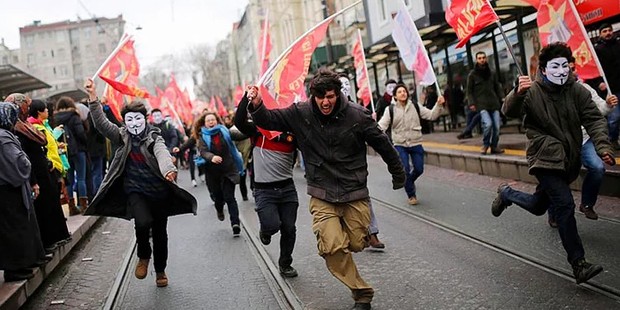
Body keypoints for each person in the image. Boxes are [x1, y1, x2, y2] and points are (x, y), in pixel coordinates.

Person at [247, 69, 406, 310]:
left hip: (354, 191)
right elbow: (268, 119)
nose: (325, 102)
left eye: (330, 96)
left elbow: (383, 144)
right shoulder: (300, 113)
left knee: (356, 243)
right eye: (320, 97)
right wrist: (257, 104)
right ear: (313, 95)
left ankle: (351, 244)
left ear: (337, 94)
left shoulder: (358, 115)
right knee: (331, 247)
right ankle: (361, 292)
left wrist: (398, 173)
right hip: (322, 192)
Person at [492, 42, 615, 284]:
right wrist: (517, 92)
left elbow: (594, 119)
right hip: (544, 157)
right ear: (544, 69)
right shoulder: (532, 90)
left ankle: (507, 194)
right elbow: (509, 111)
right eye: (554, 66)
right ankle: (578, 263)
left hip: (568, 160)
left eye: (565, 66)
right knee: (565, 205)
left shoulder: (577, 91)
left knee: (539, 205)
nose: (560, 71)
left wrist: (603, 147)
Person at [83, 79, 197, 287]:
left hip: (159, 192)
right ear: (125, 121)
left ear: (145, 119)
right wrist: (92, 97)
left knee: (161, 234)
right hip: (136, 191)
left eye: (137, 119)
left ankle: (160, 270)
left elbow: (162, 153)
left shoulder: (155, 136)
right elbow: (101, 123)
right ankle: (143, 255)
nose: (133, 124)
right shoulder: (121, 136)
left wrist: (169, 169)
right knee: (142, 223)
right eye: (129, 120)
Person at [546, 57, 619, 227]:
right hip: (564, 142)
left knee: (598, 168)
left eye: (571, 68)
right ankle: (553, 212)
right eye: (564, 68)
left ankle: (587, 204)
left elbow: (600, 109)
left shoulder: (584, 88)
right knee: (558, 179)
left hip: (586, 139)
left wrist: (608, 104)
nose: (568, 72)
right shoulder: (551, 91)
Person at [235, 93, 300, 277]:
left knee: (289, 228)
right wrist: (247, 98)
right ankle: (266, 229)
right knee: (273, 225)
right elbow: (239, 122)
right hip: (264, 190)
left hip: (287, 189)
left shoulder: (293, 134)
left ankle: (285, 263)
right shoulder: (257, 131)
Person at [0, 102, 48, 282]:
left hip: (8, 189)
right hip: (8, 190)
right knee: (14, 227)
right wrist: (26, 159)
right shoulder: (4, 137)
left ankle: (21, 263)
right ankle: (15, 267)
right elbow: (19, 163)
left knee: (15, 227)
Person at [378, 84, 445, 205]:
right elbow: (381, 126)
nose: (403, 93)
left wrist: (439, 104)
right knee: (405, 170)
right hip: (400, 144)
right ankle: (411, 195)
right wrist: (373, 126)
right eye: (399, 92)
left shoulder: (415, 105)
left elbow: (431, 115)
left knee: (419, 169)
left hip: (415, 142)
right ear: (395, 96)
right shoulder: (390, 109)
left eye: (404, 91)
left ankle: (409, 181)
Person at [339, 73, 385, 249]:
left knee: (364, 197)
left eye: (346, 85)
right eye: (341, 85)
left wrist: (370, 121)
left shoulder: (358, 109)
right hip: (334, 165)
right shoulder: (327, 109)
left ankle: (372, 234)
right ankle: (351, 234)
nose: (345, 89)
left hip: (355, 162)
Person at [26, 99, 72, 252]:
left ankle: (60, 235)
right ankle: (53, 238)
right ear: (39, 111)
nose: (48, 111)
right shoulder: (34, 128)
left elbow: (49, 144)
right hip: (47, 170)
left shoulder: (43, 126)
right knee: (49, 204)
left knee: (55, 202)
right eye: (45, 109)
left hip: (54, 168)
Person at [194, 112, 245, 236]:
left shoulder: (225, 131)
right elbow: (203, 151)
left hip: (228, 169)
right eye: (208, 121)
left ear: (217, 121)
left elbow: (241, 135)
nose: (211, 122)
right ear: (204, 123)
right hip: (212, 172)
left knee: (230, 197)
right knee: (218, 197)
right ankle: (219, 209)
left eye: (213, 120)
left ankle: (235, 223)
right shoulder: (202, 136)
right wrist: (211, 157)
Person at [54, 96, 89, 212]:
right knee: (81, 178)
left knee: (68, 179)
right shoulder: (74, 116)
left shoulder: (55, 118)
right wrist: (85, 143)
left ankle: (71, 207)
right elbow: (81, 133)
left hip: (64, 152)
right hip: (78, 150)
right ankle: (83, 205)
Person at [466, 51, 505, 154]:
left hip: (494, 103)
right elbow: (469, 91)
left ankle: (494, 146)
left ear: (486, 58)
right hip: (481, 105)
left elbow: (497, 87)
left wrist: (502, 98)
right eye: (479, 58)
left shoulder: (491, 73)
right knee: (488, 124)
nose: (482, 60)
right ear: (476, 60)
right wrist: (472, 103)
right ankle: (485, 144)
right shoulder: (472, 75)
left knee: (497, 126)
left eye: (483, 57)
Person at [591, 23, 620, 150]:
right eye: (604, 31)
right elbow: (594, 69)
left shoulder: (619, 46)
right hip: (610, 90)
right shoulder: (597, 50)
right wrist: (599, 83)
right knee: (614, 117)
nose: (608, 33)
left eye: (609, 30)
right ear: (600, 34)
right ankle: (612, 139)